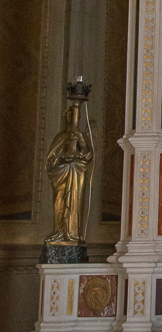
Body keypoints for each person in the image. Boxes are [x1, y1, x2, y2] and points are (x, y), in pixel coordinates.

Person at [45, 102, 93, 243]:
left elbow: (87, 155)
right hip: (62, 175)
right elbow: (50, 160)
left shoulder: (81, 136)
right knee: (59, 202)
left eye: (73, 114)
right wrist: (61, 160)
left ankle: (74, 233)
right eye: (68, 114)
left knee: (75, 203)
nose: (70, 117)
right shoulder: (60, 137)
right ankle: (59, 232)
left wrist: (81, 139)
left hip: (77, 174)